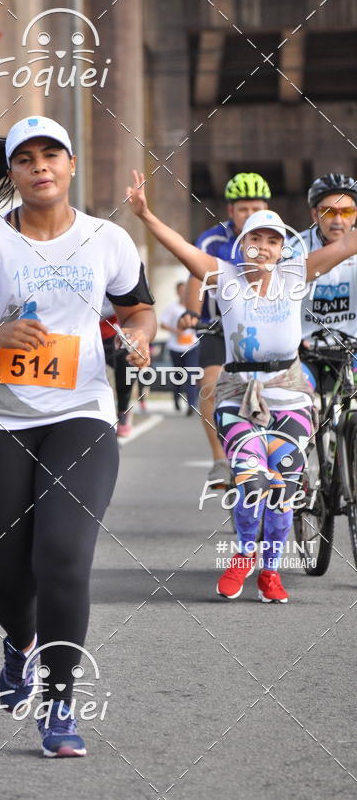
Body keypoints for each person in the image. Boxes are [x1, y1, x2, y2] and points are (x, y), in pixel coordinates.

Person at [0, 117, 156, 757]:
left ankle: (58, 706)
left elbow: (136, 305)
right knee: (3, 570)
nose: (40, 166)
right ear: (15, 174)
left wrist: (140, 335)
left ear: (71, 165)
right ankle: (18, 643)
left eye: (52, 154)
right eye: (27, 159)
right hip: (4, 419)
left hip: (82, 414)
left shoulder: (107, 240)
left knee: (63, 556)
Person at [127, 169, 357, 603]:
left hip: (288, 390)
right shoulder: (225, 276)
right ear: (242, 245)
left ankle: (271, 572)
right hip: (236, 391)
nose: (264, 247)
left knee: (284, 480)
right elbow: (181, 248)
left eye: (273, 240)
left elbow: (347, 243)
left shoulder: (295, 274)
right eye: (256, 239)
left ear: (282, 247)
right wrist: (145, 214)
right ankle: (243, 555)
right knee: (251, 479)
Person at [178, 173, 272, 488]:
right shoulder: (212, 241)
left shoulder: (274, 239)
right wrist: (192, 312)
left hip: (264, 326)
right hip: (219, 328)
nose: (249, 215)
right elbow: (195, 278)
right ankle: (220, 458)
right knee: (210, 385)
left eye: (256, 208)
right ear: (231, 211)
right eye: (243, 209)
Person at [289, 173, 357, 344]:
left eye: (347, 212)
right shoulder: (295, 248)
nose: (338, 220)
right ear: (314, 215)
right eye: (328, 212)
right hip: (307, 349)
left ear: (355, 215)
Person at [100, 299, 146, 438]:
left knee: (126, 374)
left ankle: (123, 410)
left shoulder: (119, 282)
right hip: (92, 336)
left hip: (118, 335)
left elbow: (138, 308)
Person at [160, 281, 199, 414]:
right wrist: (176, 330)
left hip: (191, 346)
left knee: (190, 375)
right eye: (181, 290)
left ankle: (191, 405)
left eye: (185, 290)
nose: (183, 293)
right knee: (178, 375)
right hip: (175, 347)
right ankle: (176, 399)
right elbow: (163, 324)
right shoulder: (172, 308)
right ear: (177, 292)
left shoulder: (194, 307)